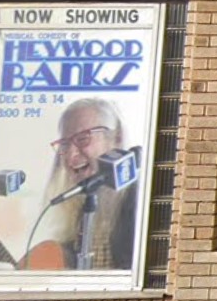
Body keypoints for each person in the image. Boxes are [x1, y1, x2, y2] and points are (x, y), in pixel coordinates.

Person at [12, 98, 142, 272]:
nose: (71, 154)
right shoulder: (82, 211)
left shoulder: (140, 201)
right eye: (65, 144)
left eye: (82, 139)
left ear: (116, 138)